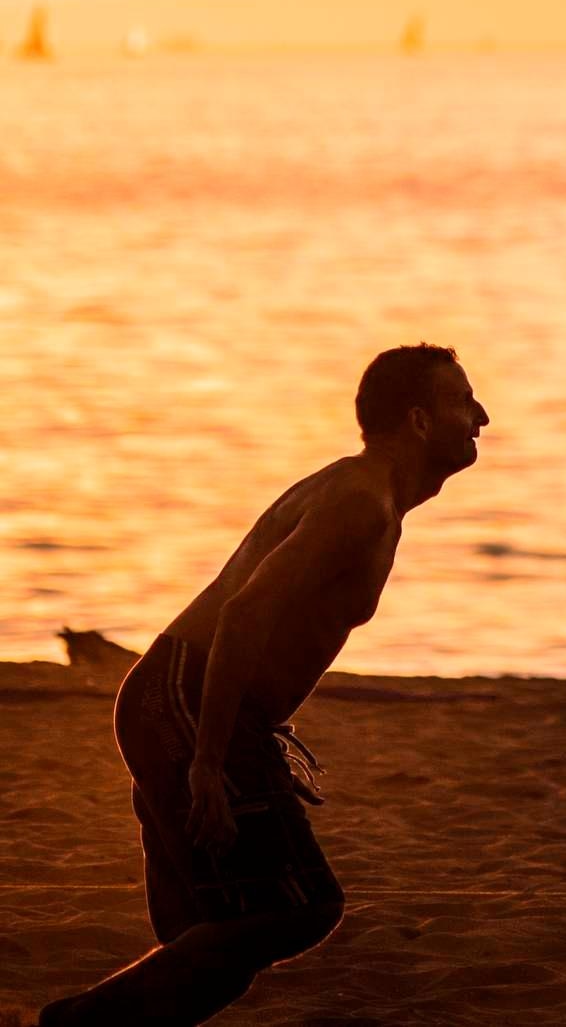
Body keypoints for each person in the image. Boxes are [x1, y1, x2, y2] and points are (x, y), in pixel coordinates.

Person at [39, 347, 489, 1027]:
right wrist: (210, 760)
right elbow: (246, 610)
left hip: (185, 701)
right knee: (299, 906)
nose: (481, 416)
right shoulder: (358, 500)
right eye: (465, 400)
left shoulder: (371, 494)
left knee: (213, 937)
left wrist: (244, 735)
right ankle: (68, 1023)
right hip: (185, 699)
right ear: (420, 420)